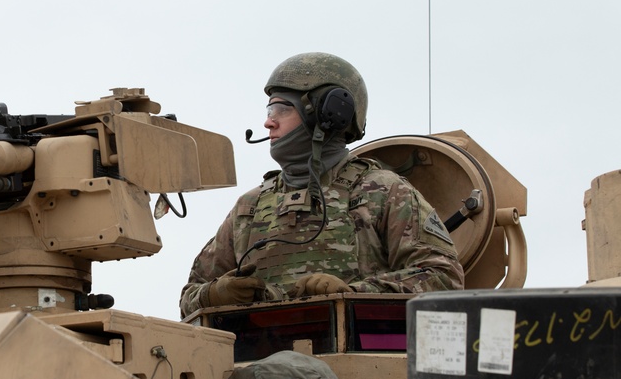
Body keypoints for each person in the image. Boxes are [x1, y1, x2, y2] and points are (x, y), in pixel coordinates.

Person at [179, 52, 464, 318]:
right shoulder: (249, 207)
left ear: (328, 114)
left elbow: (443, 279)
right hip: (257, 362)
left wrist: (352, 295)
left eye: (281, 109)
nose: (268, 122)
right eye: (269, 109)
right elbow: (189, 296)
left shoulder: (382, 192)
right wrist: (213, 295)